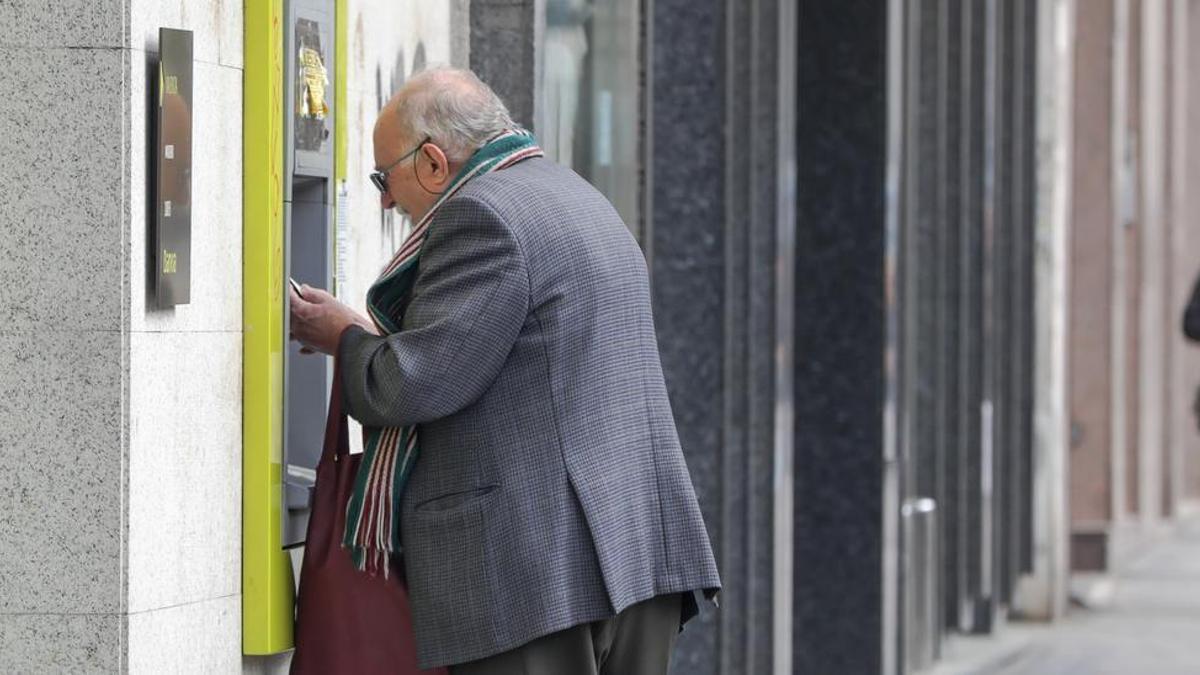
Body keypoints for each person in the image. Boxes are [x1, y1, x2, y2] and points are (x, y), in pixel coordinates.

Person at [288, 66, 720, 675]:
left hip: (538, 576)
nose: (385, 199)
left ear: (434, 162)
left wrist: (345, 337)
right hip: (632, 555)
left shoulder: (480, 219)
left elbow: (411, 384)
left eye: (385, 178)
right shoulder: (573, 195)